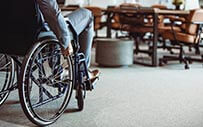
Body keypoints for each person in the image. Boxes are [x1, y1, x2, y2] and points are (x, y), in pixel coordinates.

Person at [36, 0, 99, 82]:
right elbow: (52, 12)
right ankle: (82, 72)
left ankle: (59, 70)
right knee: (87, 14)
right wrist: (66, 41)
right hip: (43, 33)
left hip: (19, 37)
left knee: (55, 21)